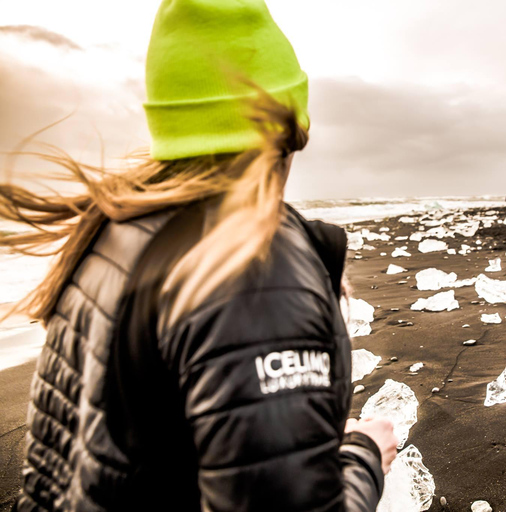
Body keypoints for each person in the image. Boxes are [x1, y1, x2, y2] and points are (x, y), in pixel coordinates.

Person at [4, 1, 397, 511]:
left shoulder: (112, 230)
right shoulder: (252, 264)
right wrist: (364, 454)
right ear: (288, 124)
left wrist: (288, 434)